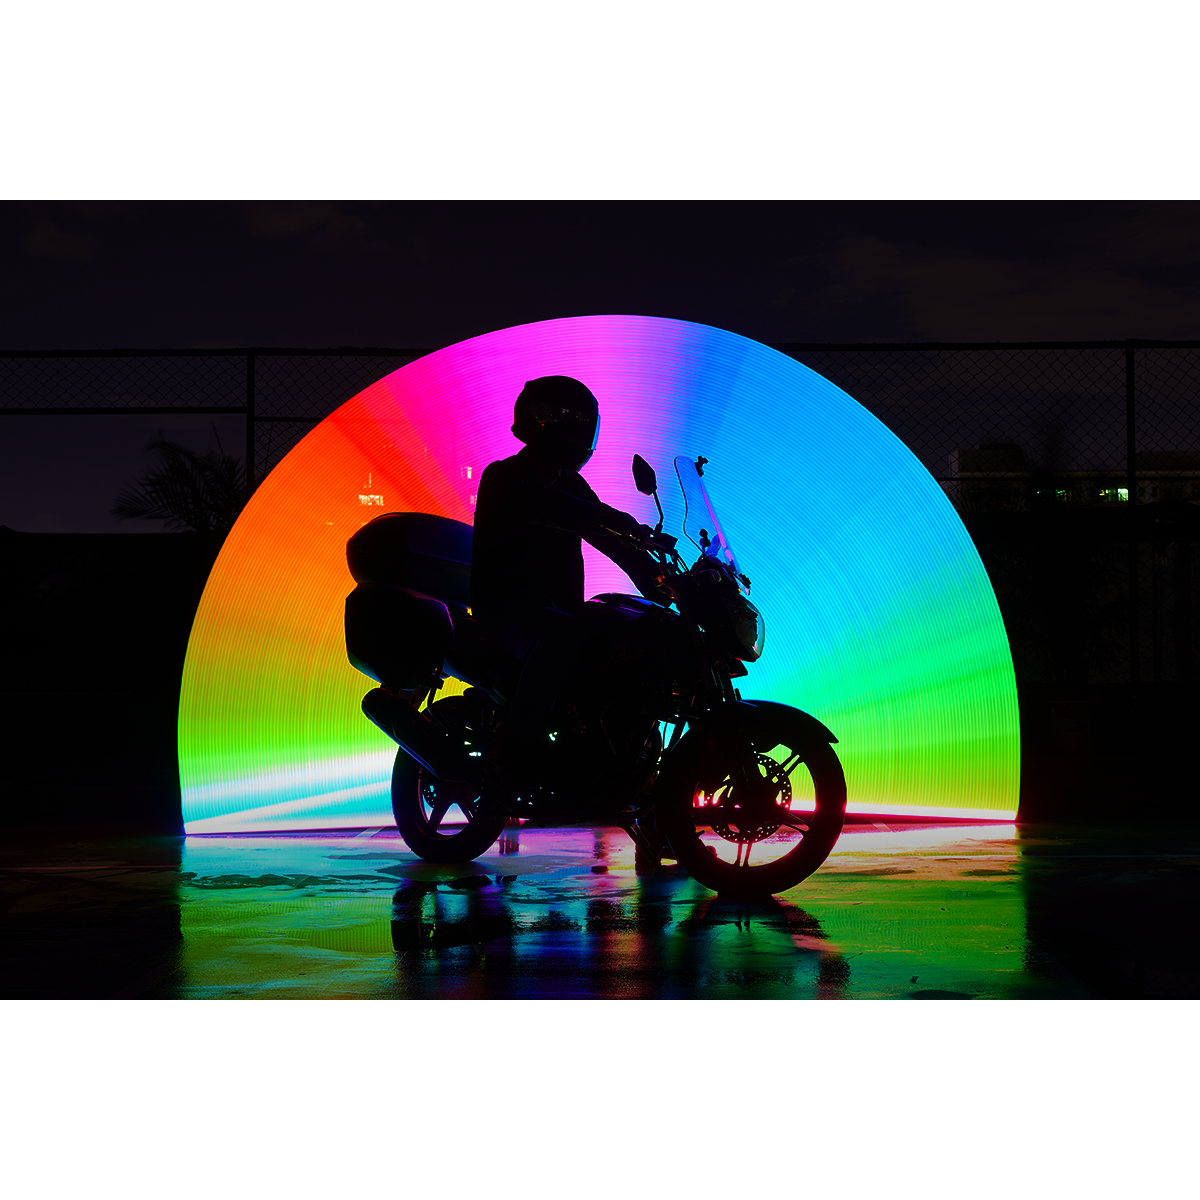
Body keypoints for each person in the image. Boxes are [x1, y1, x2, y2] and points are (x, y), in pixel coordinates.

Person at [471, 375, 663, 800]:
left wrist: (661, 582)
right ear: (541, 420)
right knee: (562, 633)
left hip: (558, 611)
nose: (578, 434)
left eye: (583, 423)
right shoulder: (504, 477)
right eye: (569, 422)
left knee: (626, 628)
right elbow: (564, 510)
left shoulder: (570, 484)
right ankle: (510, 755)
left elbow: (607, 535)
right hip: (508, 614)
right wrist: (612, 520)